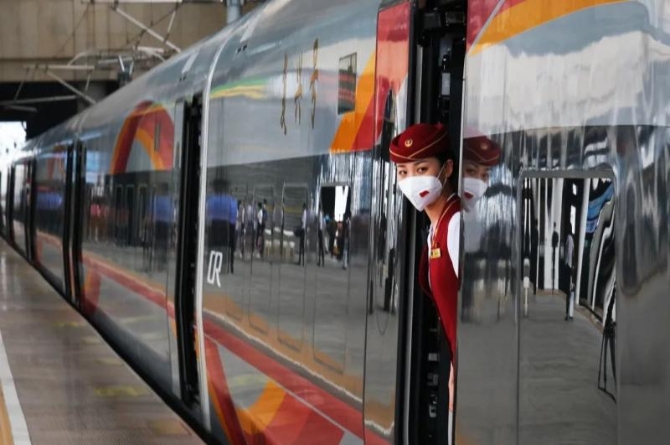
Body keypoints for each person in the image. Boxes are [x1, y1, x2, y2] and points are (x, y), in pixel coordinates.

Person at [390, 122, 460, 429]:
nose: (411, 180)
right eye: (403, 172)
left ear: (447, 169)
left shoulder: (455, 226)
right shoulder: (435, 229)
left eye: (421, 169)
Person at [460, 128, 502, 321]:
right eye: (470, 171)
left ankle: (467, 309)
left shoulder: (480, 212)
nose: (478, 182)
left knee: (469, 284)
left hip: (472, 258)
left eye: (484, 175)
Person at [564, 226, 575, 321]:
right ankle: (568, 313)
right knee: (569, 290)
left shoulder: (569, 239)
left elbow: (569, 253)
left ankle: (568, 313)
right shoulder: (570, 238)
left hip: (569, 266)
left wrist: (567, 264)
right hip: (570, 266)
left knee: (569, 290)